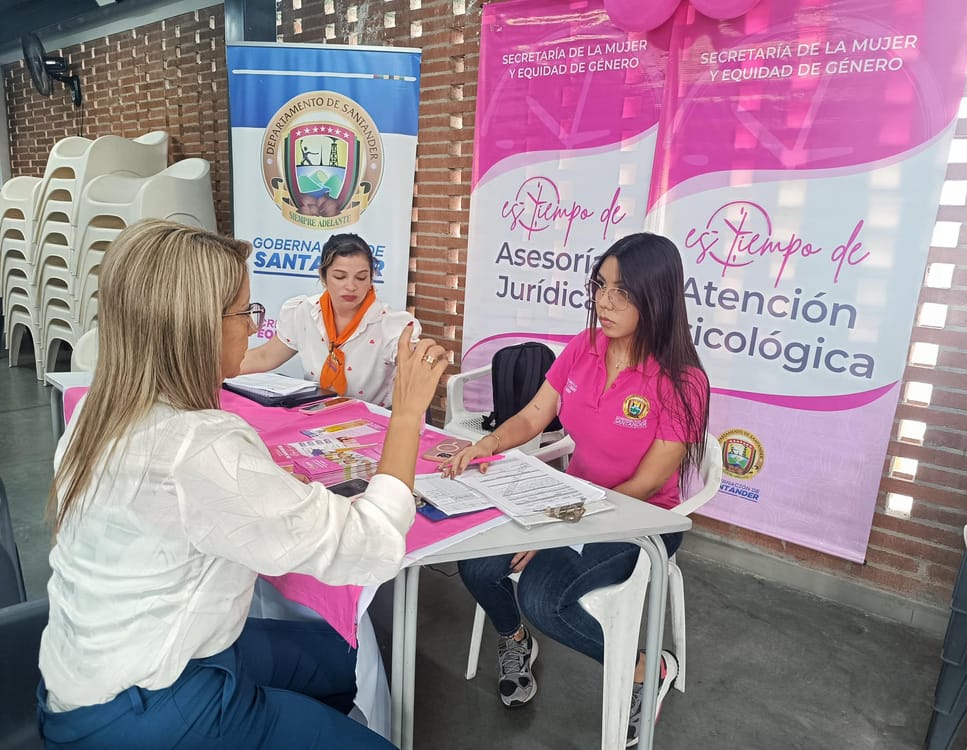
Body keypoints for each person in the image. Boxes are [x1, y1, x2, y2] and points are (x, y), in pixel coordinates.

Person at [36, 220, 449, 750]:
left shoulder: (98, 407)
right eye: (244, 313)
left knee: (338, 662)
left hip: (85, 671)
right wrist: (409, 411)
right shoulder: (199, 446)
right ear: (195, 327)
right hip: (149, 706)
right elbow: (366, 545)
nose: (254, 328)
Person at [441, 232, 709, 747]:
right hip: (570, 500)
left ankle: (646, 668)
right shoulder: (584, 348)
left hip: (639, 519)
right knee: (477, 563)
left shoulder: (682, 382)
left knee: (545, 599)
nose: (604, 302)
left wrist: (557, 529)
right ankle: (514, 639)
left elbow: (649, 482)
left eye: (623, 292)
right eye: (601, 285)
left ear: (657, 298)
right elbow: (536, 415)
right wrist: (487, 446)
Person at [240, 232, 419, 408]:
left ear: (372, 276)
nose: (351, 286)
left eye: (361, 277)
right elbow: (265, 357)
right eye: (340, 277)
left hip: (372, 422)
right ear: (323, 276)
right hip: (317, 416)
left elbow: (415, 384)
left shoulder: (393, 326)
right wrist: (216, 370)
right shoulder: (304, 312)